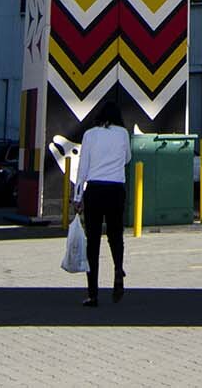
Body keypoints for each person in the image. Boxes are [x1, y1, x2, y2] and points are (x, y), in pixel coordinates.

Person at [74, 101, 131, 305]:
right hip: (116, 188)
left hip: (95, 189)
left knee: (93, 242)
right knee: (116, 235)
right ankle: (118, 268)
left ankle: (93, 294)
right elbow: (127, 159)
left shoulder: (89, 135)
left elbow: (83, 168)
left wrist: (78, 197)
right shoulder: (123, 134)